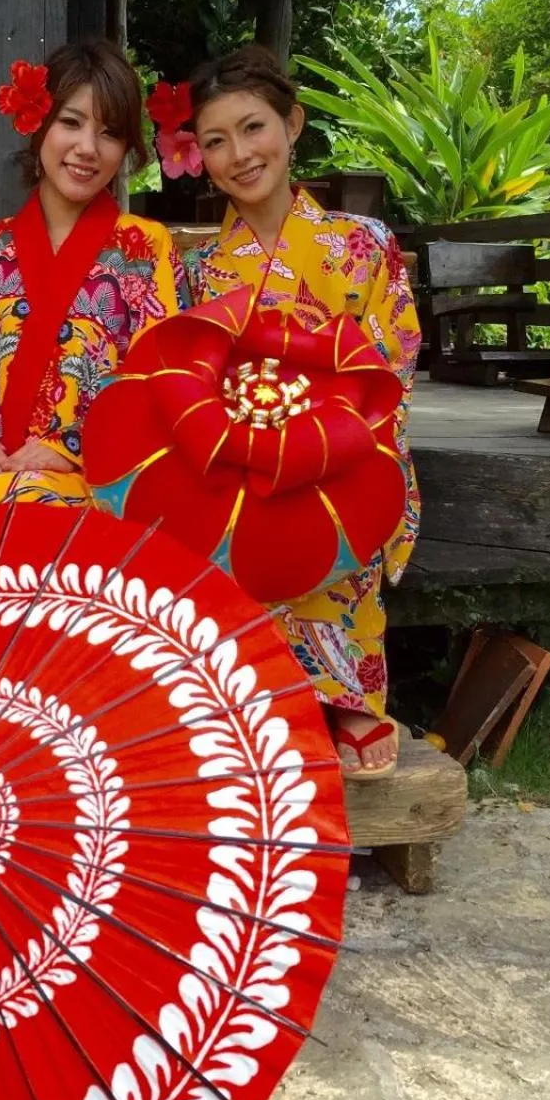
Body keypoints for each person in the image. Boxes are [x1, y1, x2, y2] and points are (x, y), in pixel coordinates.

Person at [184, 46, 421, 779]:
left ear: (293, 125)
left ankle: (345, 695)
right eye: (216, 141)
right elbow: (187, 375)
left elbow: (393, 361)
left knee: (340, 499)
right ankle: (259, 697)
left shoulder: (363, 245)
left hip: (345, 443)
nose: (238, 155)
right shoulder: (197, 272)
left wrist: (316, 431)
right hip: (241, 449)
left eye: (253, 128)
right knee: (211, 510)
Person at [0, 40, 186, 527]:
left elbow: (162, 376)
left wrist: (72, 448)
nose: (87, 148)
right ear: (37, 123)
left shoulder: (145, 251)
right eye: (71, 122)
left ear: (127, 147)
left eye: (109, 133)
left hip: (96, 479)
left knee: (37, 516)